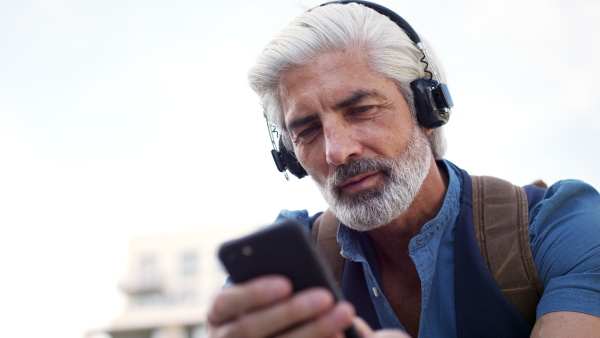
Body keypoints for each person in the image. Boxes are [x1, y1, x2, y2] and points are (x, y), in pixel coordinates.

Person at [207, 1, 600, 337]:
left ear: (427, 108)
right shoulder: (287, 259)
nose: (337, 151)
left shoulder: (560, 225)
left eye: (361, 110)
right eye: (307, 130)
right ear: (291, 155)